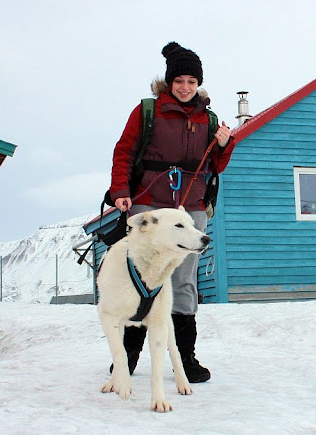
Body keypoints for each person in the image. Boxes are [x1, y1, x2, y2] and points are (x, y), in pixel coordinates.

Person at [108, 41, 235, 383]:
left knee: (183, 281)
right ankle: (129, 355)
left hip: (191, 207)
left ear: (198, 84)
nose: (185, 87)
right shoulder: (148, 111)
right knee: (141, 277)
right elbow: (124, 151)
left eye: (191, 81)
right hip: (149, 204)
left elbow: (216, 165)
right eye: (179, 80)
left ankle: (186, 358)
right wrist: (121, 191)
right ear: (170, 82)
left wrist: (224, 144)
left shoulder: (208, 118)